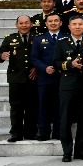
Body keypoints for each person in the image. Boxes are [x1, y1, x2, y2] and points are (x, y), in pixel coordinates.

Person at [53, 16, 83, 162]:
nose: (77, 27)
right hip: (67, 85)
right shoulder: (62, 42)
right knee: (65, 119)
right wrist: (71, 65)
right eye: (74, 24)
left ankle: (80, 151)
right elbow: (56, 63)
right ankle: (66, 151)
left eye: (80, 24)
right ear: (69, 26)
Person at [0, 15, 35, 142]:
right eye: (21, 23)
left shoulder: (37, 38)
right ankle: (16, 133)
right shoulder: (10, 38)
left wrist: (36, 67)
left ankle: (30, 132)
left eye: (26, 23)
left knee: (31, 106)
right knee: (16, 107)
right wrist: (2, 56)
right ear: (16, 25)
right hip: (15, 78)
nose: (24, 25)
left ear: (31, 24)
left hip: (33, 77)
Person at [30, 12, 63, 141]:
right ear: (46, 23)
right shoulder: (39, 39)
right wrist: (45, 68)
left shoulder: (66, 37)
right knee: (43, 106)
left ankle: (58, 133)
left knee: (59, 107)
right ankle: (43, 133)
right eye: (50, 21)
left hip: (61, 78)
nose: (53, 23)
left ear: (60, 23)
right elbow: (34, 58)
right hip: (44, 78)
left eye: (56, 21)